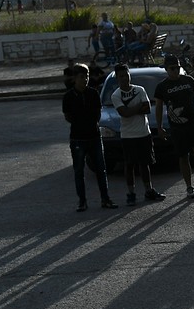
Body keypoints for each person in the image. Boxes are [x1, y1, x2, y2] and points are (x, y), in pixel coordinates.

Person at [155, 54, 194, 197]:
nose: (175, 71)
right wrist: (159, 127)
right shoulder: (162, 87)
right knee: (183, 156)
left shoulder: (188, 80)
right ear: (166, 69)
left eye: (177, 67)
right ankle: (189, 186)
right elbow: (158, 107)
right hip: (177, 127)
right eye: (172, 68)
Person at [62, 63, 117, 211]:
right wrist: (80, 122)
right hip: (78, 138)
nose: (84, 80)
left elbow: (98, 114)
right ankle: (82, 201)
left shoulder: (93, 94)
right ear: (75, 78)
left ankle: (105, 199)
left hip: (94, 136)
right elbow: (68, 116)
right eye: (81, 77)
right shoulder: (68, 97)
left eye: (86, 76)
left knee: (101, 170)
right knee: (79, 171)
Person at [112, 64, 165, 205]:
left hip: (144, 133)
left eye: (126, 74)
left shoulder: (140, 90)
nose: (124, 78)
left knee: (145, 164)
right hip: (128, 135)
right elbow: (124, 113)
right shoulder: (116, 95)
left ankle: (149, 190)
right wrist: (136, 108)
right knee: (129, 165)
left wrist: (130, 109)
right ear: (117, 78)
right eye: (121, 76)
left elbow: (147, 108)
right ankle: (131, 193)